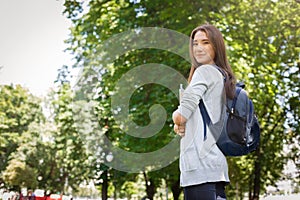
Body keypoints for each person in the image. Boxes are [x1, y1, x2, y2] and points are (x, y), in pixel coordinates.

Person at [172, 24, 236, 199]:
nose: (198, 48)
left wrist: (176, 118)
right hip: (216, 167)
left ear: (216, 46)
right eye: (195, 43)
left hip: (199, 168)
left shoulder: (204, 72)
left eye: (205, 42)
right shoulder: (222, 75)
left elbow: (182, 114)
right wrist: (181, 125)